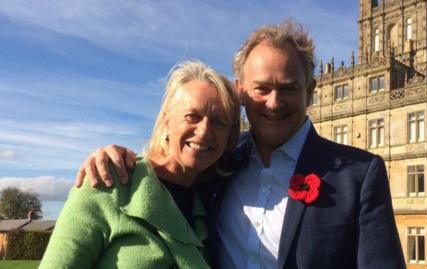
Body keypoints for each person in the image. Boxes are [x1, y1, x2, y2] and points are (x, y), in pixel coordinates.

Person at [76, 21, 406, 268]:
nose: (274, 103)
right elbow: (170, 170)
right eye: (262, 88)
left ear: (311, 90)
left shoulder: (359, 175)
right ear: (241, 90)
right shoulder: (216, 162)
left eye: (289, 88)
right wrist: (118, 157)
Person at [40, 61, 240, 269]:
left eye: (219, 121)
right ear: (167, 121)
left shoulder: (211, 206)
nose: (205, 131)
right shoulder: (109, 182)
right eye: (192, 116)